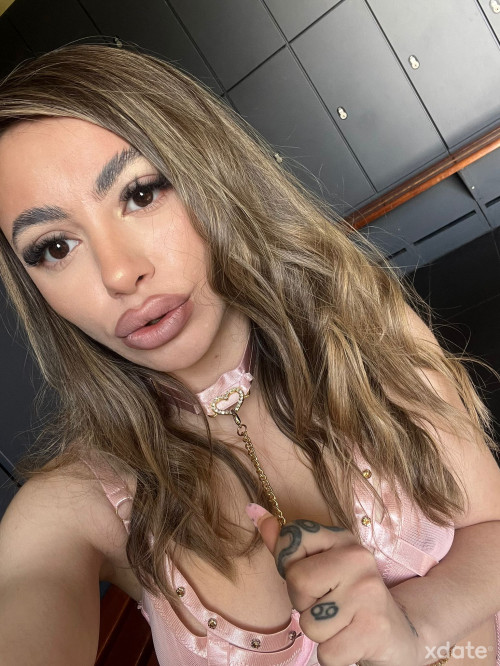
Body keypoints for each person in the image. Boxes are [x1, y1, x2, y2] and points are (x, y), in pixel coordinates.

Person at [0, 44, 498, 666]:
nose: (120, 273)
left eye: (141, 193)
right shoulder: (77, 504)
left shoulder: (363, 326)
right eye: (54, 247)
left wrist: (414, 629)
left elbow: (491, 527)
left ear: (209, 171)